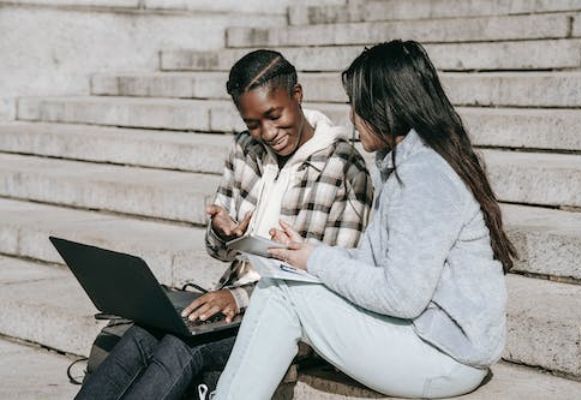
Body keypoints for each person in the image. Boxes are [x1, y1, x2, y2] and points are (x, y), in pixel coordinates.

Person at [213, 40, 517, 400]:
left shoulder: (426, 176)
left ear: (384, 107)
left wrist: (315, 261)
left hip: (444, 357)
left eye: (355, 105)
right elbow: (374, 263)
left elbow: (401, 297)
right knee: (281, 286)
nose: (352, 118)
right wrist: (305, 253)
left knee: (282, 295)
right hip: (424, 337)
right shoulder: (407, 164)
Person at [74, 49, 373, 400]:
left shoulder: (344, 167)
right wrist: (222, 234)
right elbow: (219, 251)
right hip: (234, 305)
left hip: (296, 323)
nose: (267, 132)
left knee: (183, 345)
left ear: (297, 95)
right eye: (253, 123)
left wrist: (239, 297)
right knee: (143, 333)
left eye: (274, 115)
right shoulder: (245, 149)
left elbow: (331, 279)